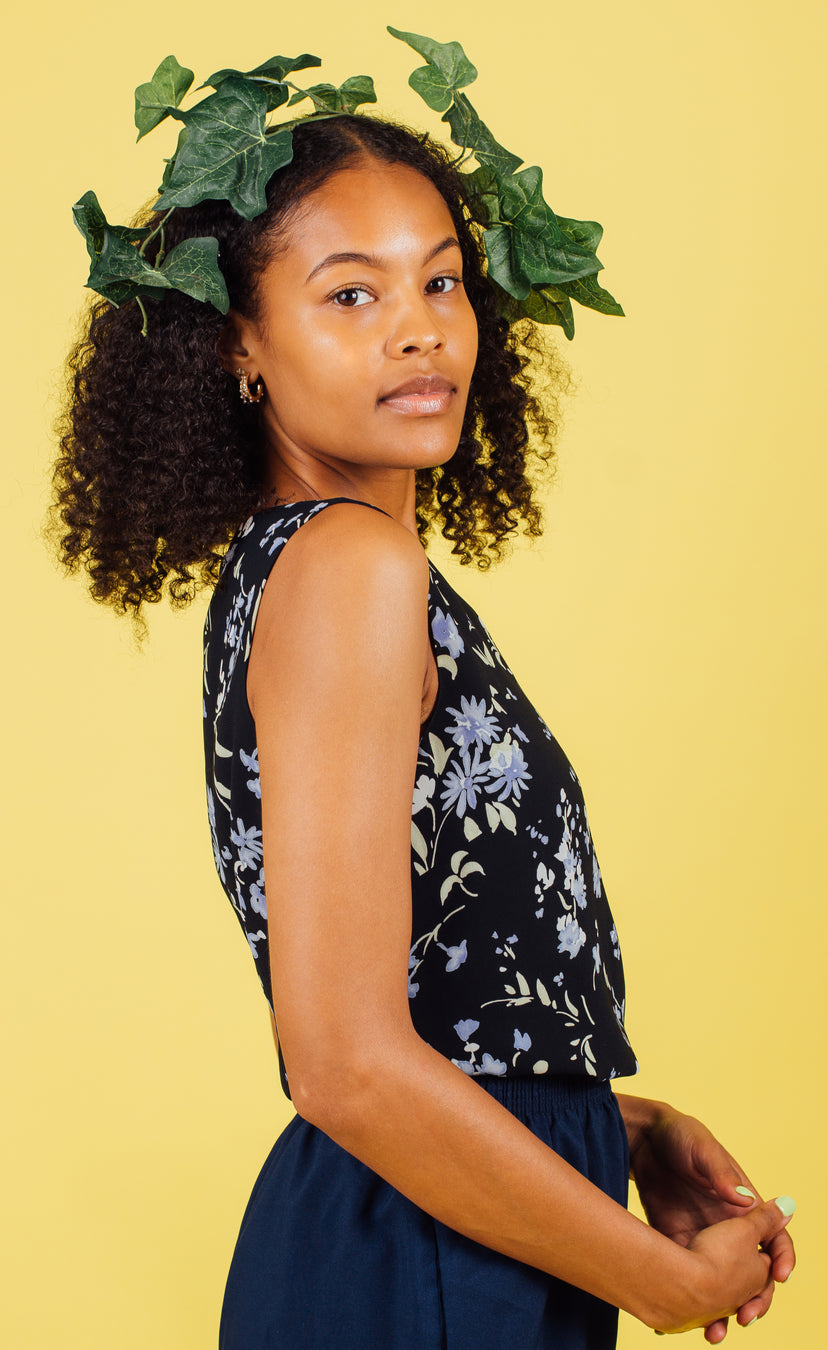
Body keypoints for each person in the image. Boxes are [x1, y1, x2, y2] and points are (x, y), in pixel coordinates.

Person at [53, 101, 795, 1348]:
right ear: (240, 342)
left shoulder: (312, 569)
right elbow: (344, 1062)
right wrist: (659, 1281)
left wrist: (616, 1124)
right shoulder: (349, 569)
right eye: (351, 294)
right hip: (421, 1265)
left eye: (441, 282)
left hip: (432, 1243)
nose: (419, 328)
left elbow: (431, 1019)